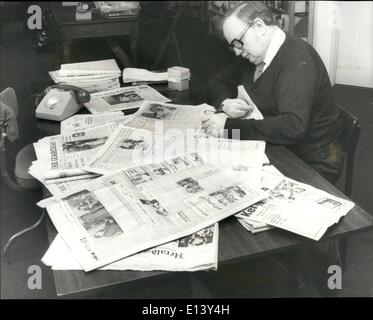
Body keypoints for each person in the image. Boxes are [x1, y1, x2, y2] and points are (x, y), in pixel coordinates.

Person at [202, 1, 345, 184]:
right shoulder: (256, 54)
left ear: (260, 26)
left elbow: (293, 125)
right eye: (233, 47)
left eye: (239, 43)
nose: (237, 52)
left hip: (312, 160)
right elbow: (217, 82)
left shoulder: (296, 59)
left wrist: (228, 126)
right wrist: (225, 103)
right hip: (280, 145)